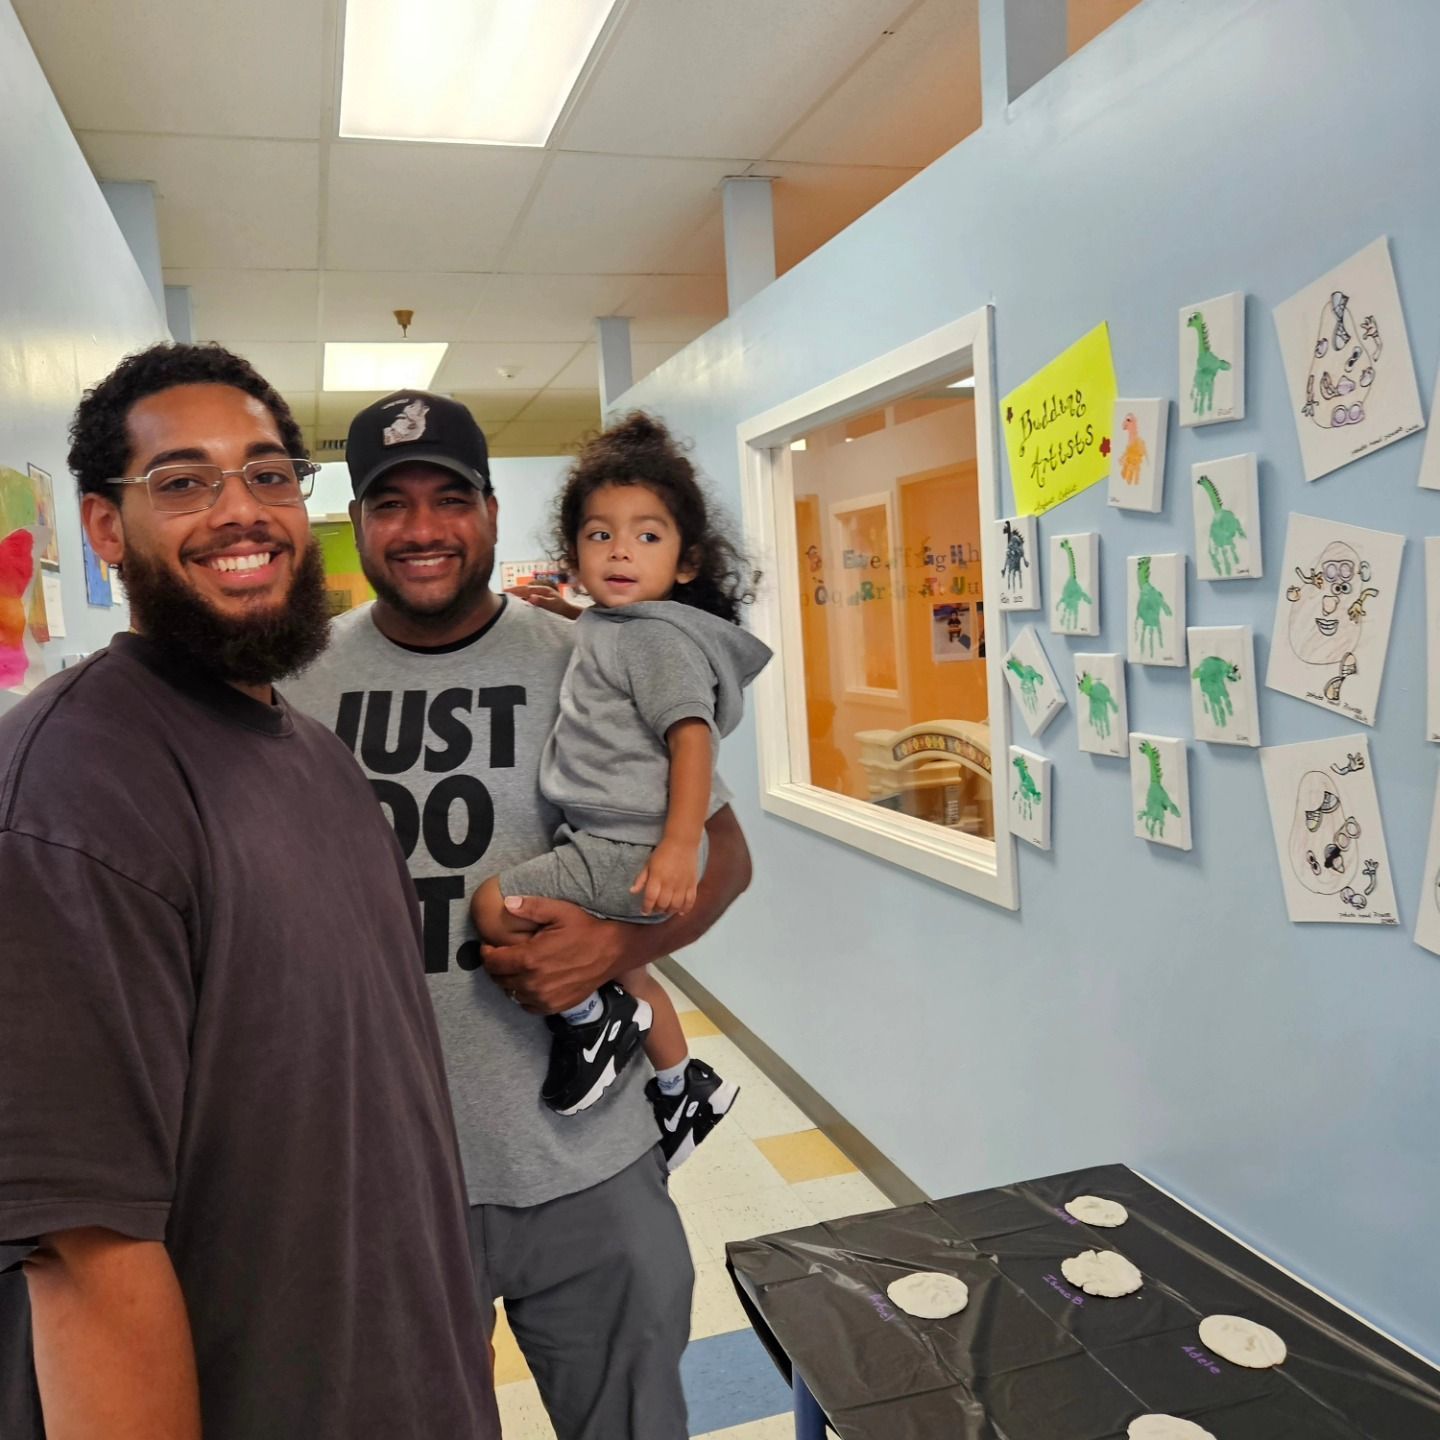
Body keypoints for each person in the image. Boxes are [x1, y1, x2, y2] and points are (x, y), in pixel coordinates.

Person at [0, 345, 500, 1440]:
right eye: (182, 482)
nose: (244, 512)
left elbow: (369, 1095)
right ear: (100, 528)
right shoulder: (74, 792)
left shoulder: (311, 758)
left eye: (270, 474)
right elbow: (85, 1258)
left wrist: (447, 1316)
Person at [285, 390, 753, 1440]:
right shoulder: (296, 684)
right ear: (355, 524)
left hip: (586, 1163)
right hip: (386, 1182)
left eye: (449, 498)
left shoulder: (596, 655)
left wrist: (617, 948)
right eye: (390, 503)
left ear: (494, 512)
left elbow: (724, 854)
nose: (422, 529)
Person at [473, 412, 769, 1170]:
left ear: (688, 558)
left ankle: (589, 1020)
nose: (621, 551)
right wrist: (571, 615)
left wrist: (677, 848)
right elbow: (614, 653)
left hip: (628, 844)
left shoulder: (657, 641)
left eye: (647, 535)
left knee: (497, 906)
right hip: (619, 840)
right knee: (628, 971)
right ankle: (681, 1086)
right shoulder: (617, 627)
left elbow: (691, 735)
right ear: (574, 552)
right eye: (600, 535)